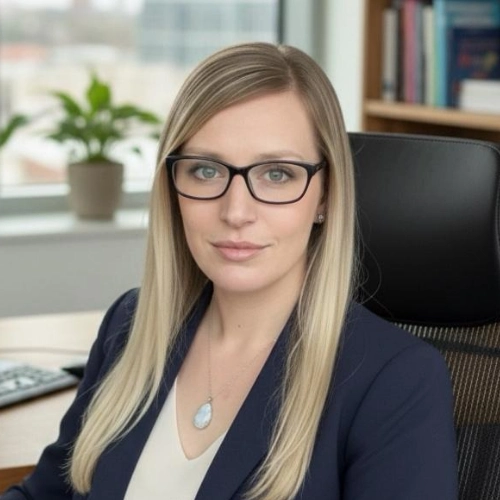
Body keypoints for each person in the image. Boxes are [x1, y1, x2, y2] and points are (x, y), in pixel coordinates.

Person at [2, 42, 458, 500]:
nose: (236, 211)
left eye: (277, 174)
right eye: (204, 170)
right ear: (172, 187)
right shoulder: (132, 325)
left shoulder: (395, 380)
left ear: (325, 194)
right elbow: (45, 495)